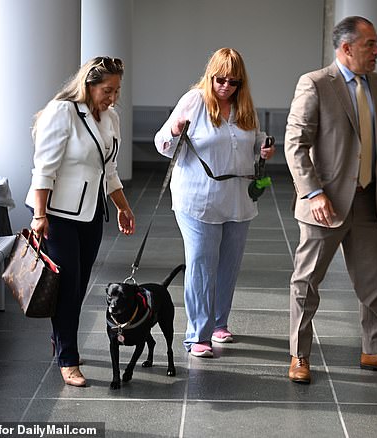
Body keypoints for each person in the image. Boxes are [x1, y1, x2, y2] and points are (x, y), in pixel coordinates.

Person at [284, 16, 377, 384]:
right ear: (346, 48)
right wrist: (313, 192)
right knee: (306, 282)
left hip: (370, 201)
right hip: (324, 205)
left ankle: (374, 350)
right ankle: (299, 356)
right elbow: (295, 145)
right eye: (370, 44)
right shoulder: (315, 84)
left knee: (371, 283)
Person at [154, 48, 275, 358]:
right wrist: (175, 129)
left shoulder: (244, 107)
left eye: (233, 82)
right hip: (198, 200)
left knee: (228, 267)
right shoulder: (194, 101)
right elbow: (163, 144)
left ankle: (219, 323)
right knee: (201, 266)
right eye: (220, 80)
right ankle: (197, 335)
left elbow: (248, 142)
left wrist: (262, 147)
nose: (225, 87)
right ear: (210, 77)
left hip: (238, 200)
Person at [26, 56, 135, 387]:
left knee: (77, 285)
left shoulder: (111, 118)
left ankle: (61, 342)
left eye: (117, 91)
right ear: (88, 84)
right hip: (57, 215)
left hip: (91, 214)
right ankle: (68, 358)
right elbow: (44, 168)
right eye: (107, 90)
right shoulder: (63, 113)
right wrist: (39, 214)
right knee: (68, 287)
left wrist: (122, 207)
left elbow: (109, 170)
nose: (112, 97)